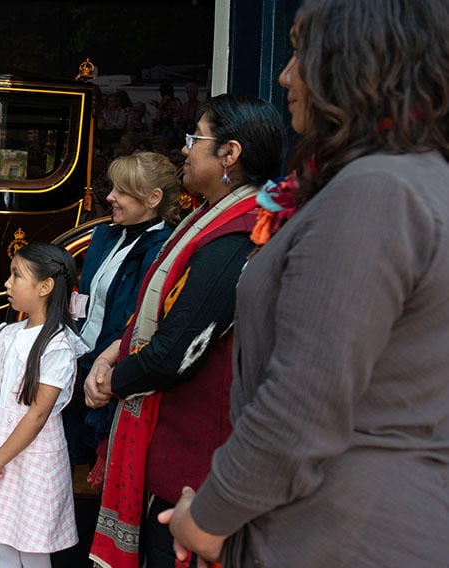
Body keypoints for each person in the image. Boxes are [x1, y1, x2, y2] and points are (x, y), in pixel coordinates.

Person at [162, 1, 449, 566]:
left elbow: (300, 407)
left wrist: (208, 516)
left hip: (341, 530)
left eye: (301, 51)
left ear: (355, 63)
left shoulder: (375, 193)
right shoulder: (413, 179)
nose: (285, 73)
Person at [83, 94, 285, 568]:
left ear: (230, 154)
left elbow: (175, 352)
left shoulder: (238, 235)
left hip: (195, 477)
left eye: (196, 138)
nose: (186, 149)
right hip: (180, 459)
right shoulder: (212, 219)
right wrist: (115, 349)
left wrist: (110, 380)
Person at [0, 242, 87, 567]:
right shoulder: (10, 334)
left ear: (45, 286)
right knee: (4, 542)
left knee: (33, 551)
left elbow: (37, 416)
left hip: (33, 462)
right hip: (0, 458)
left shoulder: (58, 346)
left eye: (17, 276)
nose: (8, 283)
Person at [62, 152, 180, 470]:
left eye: (122, 191)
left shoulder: (162, 251)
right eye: (113, 187)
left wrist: (101, 367)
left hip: (107, 381)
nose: (110, 197)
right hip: (79, 368)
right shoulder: (107, 234)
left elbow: (140, 323)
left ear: (153, 198)